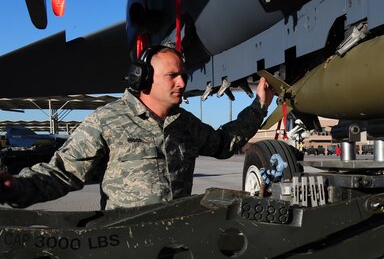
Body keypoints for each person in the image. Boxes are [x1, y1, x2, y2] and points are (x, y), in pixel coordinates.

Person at [0, 44, 274, 210]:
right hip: (126, 241)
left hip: (178, 236)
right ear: (143, 79)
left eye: (183, 76)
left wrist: (260, 105)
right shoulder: (106, 120)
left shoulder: (185, 124)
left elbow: (224, 143)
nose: (182, 83)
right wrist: (15, 188)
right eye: (172, 76)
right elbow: (62, 173)